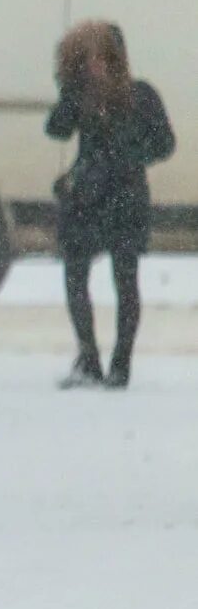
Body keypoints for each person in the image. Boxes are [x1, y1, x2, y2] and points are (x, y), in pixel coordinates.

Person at [47, 21, 176, 391]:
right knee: (75, 276)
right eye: (87, 59)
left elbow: (164, 144)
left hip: (123, 196)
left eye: (100, 58)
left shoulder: (141, 95)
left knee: (125, 280)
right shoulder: (81, 94)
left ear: (114, 58)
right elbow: (55, 129)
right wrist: (69, 93)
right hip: (87, 197)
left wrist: (125, 158)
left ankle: (120, 364)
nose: (94, 67)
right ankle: (88, 358)